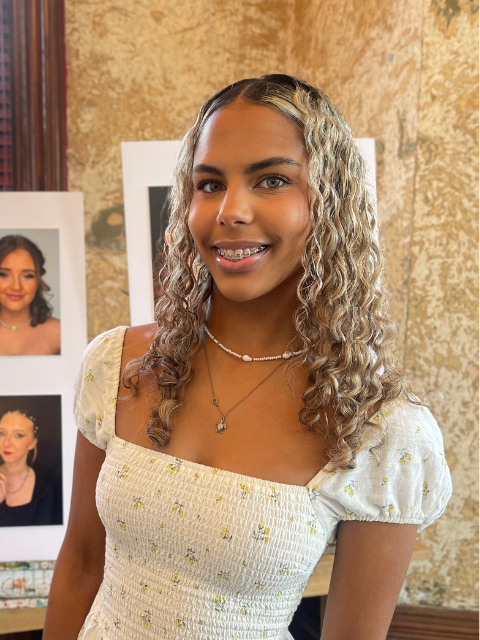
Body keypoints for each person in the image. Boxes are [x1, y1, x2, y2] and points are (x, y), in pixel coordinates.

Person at [44, 75, 452, 640]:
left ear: (331, 203)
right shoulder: (120, 365)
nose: (230, 210)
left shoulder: (381, 428)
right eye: (209, 184)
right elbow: (81, 567)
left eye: (272, 179)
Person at [0, 234, 61, 356]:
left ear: (38, 280)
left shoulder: (59, 333)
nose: (16, 286)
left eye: (27, 275)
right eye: (4, 274)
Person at [0, 409, 55, 526]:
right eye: (1, 434)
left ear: (32, 443)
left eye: (18, 435)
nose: (6, 443)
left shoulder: (45, 486)